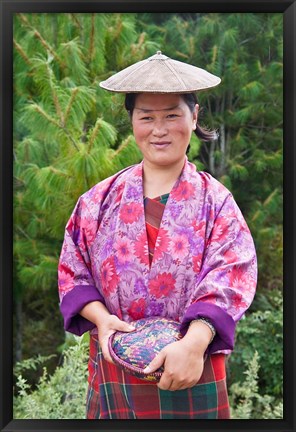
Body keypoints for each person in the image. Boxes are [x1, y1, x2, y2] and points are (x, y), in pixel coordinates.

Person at [58, 51, 257, 419]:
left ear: (194, 117)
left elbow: (230, 277)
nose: (159, 129)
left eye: (172, 115)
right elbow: (74, 273)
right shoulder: (98, 201)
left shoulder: (217, 203)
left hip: (191, 367)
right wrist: (102, 320)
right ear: (132, 121)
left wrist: (194, 345)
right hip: (116, 368)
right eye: (146, 117)